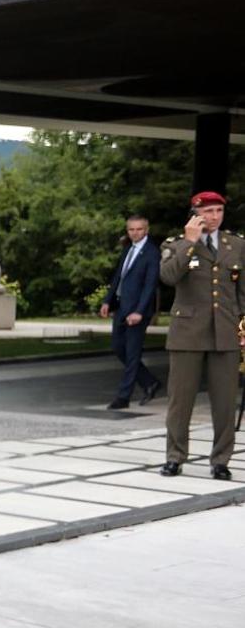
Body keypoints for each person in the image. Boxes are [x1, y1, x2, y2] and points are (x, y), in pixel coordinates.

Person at [159, 191, 245, 479]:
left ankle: (221, 460)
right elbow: (168, 277)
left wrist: (243, 328)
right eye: (208, 211)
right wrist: (189, 242)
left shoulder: (236, 244)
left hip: (225, 331)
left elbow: (241, 292)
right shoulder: (176, 244)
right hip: (188, 333)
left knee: (224, 403)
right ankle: (175, 457)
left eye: (218, 211)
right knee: (180, 402)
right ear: (195, 213)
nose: (214, 217)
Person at [101, 214, 162, 409]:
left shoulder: (152, 253)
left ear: (147, 230)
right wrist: (107, 301)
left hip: (137, 311)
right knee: (118, 347)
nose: (135, 233)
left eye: (139, 229)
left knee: (132, 352)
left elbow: (150, 285)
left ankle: (123, 397)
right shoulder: (128, 249)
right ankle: (149, 382)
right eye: (131, 229)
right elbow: (118, 276)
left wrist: (140, 311)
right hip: (121, 307)